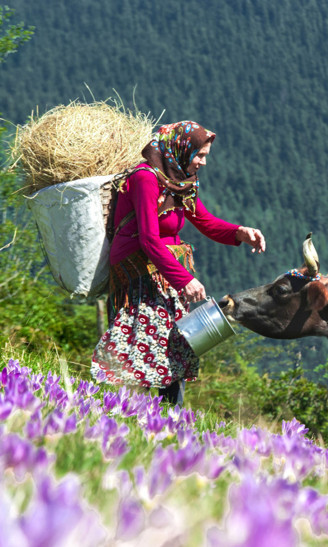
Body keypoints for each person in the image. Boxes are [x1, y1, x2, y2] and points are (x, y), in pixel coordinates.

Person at [91, 120, 265, 405]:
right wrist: (184, 280)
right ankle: (129, 410)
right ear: (182, 150)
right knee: (144, 343)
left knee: (174, 343)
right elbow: (148, 239)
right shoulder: (145, 179)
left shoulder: (181, 181)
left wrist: (239, 232)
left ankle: (169, 416)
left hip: (166, 273)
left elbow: (204, 221)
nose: (203, 162)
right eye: (200, 155)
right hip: (139, 272)